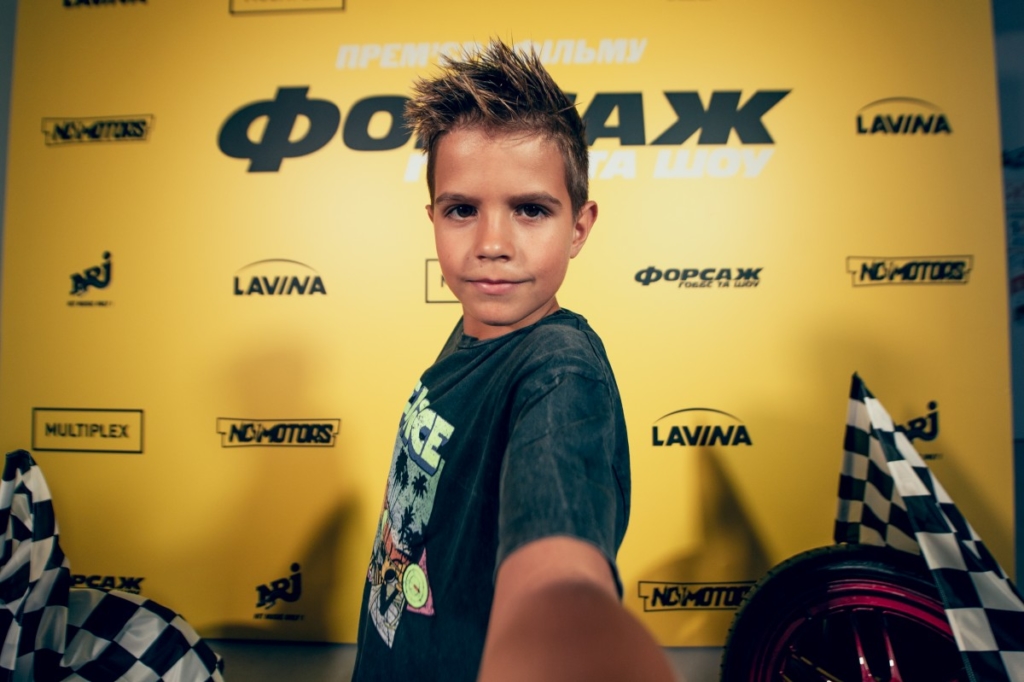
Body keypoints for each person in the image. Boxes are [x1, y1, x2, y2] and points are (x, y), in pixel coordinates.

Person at [351, 39, 677, 682]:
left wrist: (562, 619)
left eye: (530, 210)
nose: (492, 244)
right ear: (432, 217)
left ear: (579, 226)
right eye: (462, 210)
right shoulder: (476, 328)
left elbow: (557, 566)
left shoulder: (560, 372)